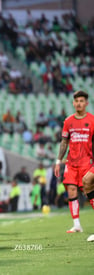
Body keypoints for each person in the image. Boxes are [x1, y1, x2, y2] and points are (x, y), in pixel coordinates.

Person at [54, 91, 94, 233]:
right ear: (73, 103)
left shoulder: (92, 120)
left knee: (89, 193)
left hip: (86, 162)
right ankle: (77, 224)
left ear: (86, 103)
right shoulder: (68, 121)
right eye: (76, 101)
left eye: (82, 101)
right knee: (71, 191)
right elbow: (64, 141)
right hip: (71, 163)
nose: (79, 103)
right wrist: (58, 161)